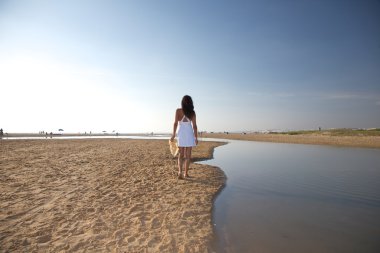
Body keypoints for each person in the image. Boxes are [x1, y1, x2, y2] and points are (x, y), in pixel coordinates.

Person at [171, 95, 198, 179]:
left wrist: (173, 134)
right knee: (188, 155)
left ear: (182, 102)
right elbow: (194, 126)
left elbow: (175, 123)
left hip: (181, 133)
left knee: (181, 154)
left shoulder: (178, 111)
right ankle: (185, 173)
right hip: (189, 134)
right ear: (191, 103)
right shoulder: (192, 113)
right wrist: (196, 137)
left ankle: (180, 172)